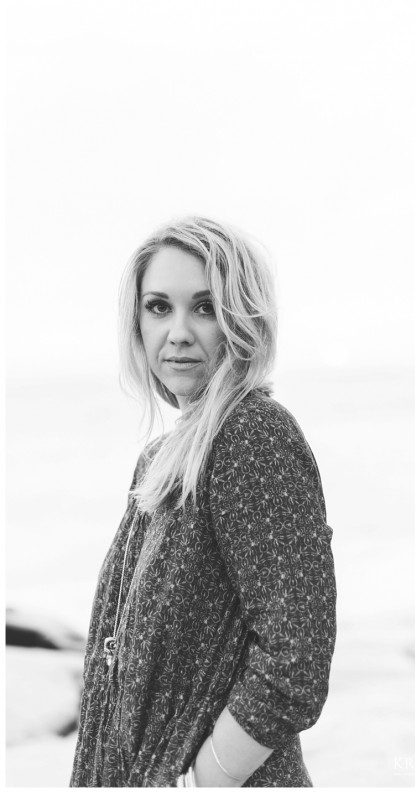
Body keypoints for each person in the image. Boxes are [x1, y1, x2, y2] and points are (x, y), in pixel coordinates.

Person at [69, 216, 337, 787]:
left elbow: (296, 661)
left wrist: (200, 781)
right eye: (159, 307)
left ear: (242, 318)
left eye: (206, 307)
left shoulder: (253, 435)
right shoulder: (160, 459)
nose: (179, 331)